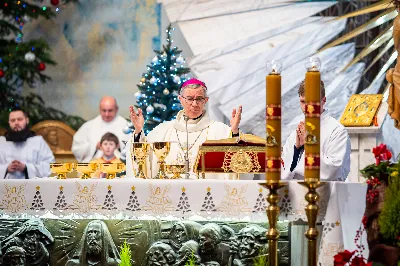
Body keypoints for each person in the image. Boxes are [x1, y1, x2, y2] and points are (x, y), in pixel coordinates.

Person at [127, 79, 242, 179]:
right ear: (180, 99)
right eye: (190, 99)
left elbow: (238, 161)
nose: (195, 104)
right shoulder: (164, 130)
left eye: (199, 99)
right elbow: (142, 158)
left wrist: (235, 132)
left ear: (205, 101)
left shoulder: (220, 131)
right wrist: (138, 131)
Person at [281, 80, 351, 181]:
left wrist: (309, 145)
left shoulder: (337, 131)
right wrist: (297, 150)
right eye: (303, 102)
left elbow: (334, 171)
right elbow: (283, 173)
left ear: (323, 100)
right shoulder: (296, 134)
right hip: (296, 193)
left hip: (326, 194)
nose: (306, 107)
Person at [0, 108, 54, 179]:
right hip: (5, 188)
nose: (16, 123)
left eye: (19, 119)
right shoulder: (1, 142)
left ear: (27, 120)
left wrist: (26, 168)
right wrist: (6, 168)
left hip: (32, 187)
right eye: (13, 120)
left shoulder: (38, 141)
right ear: (9, 123)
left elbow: (50, 165)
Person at [72, 96, 129, 163]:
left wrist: (119, 147)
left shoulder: (126, 126)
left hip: (119, 167)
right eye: (104, 110)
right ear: (99, 109)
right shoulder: (88, 126)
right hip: (94, 168)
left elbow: (133, 149)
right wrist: (94, 147)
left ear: (116, 109)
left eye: (110, 110)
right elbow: (76, 149)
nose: (106, 114)